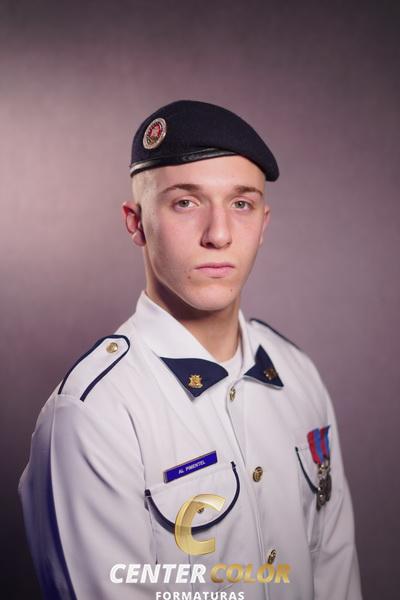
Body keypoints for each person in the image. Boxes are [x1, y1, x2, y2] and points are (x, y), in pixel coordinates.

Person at [19, 100, 362, 600]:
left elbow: (335, 572)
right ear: (136, 222)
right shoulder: (95, 414)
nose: (219, 234)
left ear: (263, 224)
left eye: (241, 204)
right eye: (185, 202)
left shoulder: (297, 373)